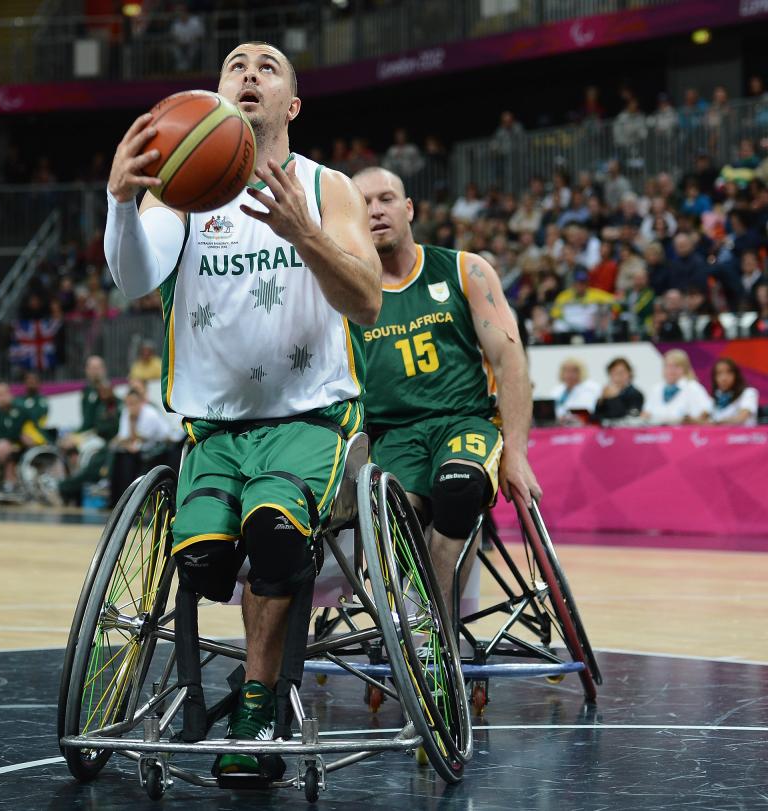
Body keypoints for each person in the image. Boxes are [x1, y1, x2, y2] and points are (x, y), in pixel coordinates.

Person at [103, 40, 380, 777]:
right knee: (201, 560)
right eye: (236, 64)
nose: (249, 71)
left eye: (268, 65)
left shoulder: (329, 188)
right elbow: (131, 278)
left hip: (309, 417)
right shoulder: (180, 190)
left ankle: (258, 702)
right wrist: (121, 202)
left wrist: (306, 236)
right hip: (214, 427)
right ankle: (223, 685)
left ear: (290, 103)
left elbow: (368, 300)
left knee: (276, 539)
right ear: (220, 95)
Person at [352, 166, 540, 622]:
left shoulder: (465, 269)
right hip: (393, 435)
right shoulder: (345, 296)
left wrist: (516, 451)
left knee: (458, 489)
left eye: (386, 199)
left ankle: (438, 636)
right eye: (363, 205)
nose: (376, 211)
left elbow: (510, 360)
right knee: (393, 515)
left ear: (409, 208)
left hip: (465, 422)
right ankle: (417, 622)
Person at [642, 348, 712, 425]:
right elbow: (646, 413)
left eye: (676, 366)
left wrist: (690, 420)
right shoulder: (657, 388)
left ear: (685, 369)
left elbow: (705, 412)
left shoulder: (693, 387)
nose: (671, 370)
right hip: (658, 433)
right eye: (668, 366)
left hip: (684, 433)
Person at [550, 358, 602, 424]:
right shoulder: (557, 390)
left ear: (581, 372)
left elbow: (589, 410)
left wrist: (567, 417)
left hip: (583, 426)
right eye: (566, 371)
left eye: (574, 371)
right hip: (558, 425)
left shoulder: (591, 388)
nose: (569, 374)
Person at [709, 358, 759, 426]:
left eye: (728, 372)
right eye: (719, 373)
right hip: (719, 436)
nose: (724, 378)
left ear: (736, 375)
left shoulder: (748, 393)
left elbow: (741, 418)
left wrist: (716, 423)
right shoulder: (715, 398)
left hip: (743, 435)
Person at [594, 357, 644, 423]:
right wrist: (601, 400)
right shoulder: (606, 394)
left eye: (622, 372)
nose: (619, 376)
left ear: (629, 374)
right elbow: (595, 418)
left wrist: (614, 398)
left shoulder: (635, 394)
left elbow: (627, 417)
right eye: (615, 372)